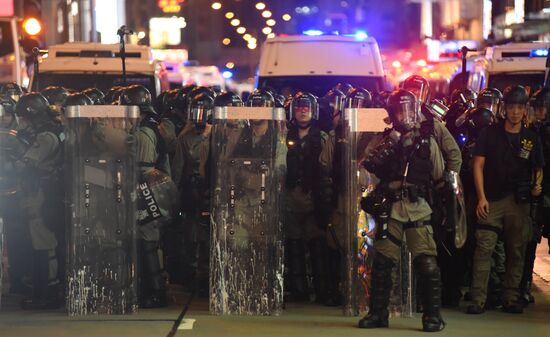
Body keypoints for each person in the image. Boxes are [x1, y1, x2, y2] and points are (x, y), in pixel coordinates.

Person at [358, 89, 451, 332]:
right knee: (382, 263)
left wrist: (444, 207)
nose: (405, 115)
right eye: (399, 110)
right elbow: (367, 165)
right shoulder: (384, 140)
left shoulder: (427, 141)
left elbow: (439, 175)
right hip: (391, 208)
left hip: (418, 208)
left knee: (427, 263)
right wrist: (390, 143)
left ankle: (432, 316)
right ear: (392, 113)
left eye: (408, 109)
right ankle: (378, 313)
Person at [468, 85, 544, 314]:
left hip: (519, 202)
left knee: (516, 251)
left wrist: (537, 185)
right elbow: (478, 165)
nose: (515, 112)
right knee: (484, 248)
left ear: (524, 110)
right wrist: (481, 197)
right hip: (491, 198)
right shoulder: (490, 133)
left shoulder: (531, 137)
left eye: (519, 107)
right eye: (511, 107)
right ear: (505, 108)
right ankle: (478, 299)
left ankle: (510, 298)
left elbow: (538, 167)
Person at [120, 85, 172, 308]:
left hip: (148, 193)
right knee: (145, 241)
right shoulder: (150, 127)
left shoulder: (144, 132)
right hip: (151, 192)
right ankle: (150, 289)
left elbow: (144, 169)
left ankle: (157, 292)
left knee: (148, 241)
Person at [14, 93, 65, 309]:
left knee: (42, 243)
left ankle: (45, 295)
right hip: (51, 190)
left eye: (23, 117)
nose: (22, 122)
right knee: (47, 242)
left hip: (41, 192)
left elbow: (26, 165)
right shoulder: (56, 130)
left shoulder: (45, 136)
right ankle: (49, 292)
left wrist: (12, 158)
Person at [285, 91, 334, 304]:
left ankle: (322, 290)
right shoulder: (283, 135)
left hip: (315, 197)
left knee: (318, 245)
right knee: (294, 244)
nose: (303, 110)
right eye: (299, 107)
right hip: (290, 196)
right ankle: (299, 290)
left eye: (307, 107)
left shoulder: (322, 138)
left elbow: (328, 168)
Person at [520, 87, 550, 304]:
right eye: (538, 108)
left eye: (543, 109)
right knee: (527, 240)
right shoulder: (530, 132)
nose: (540, 112)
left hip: (544, 191)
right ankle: (523, 284)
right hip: (536, 192)